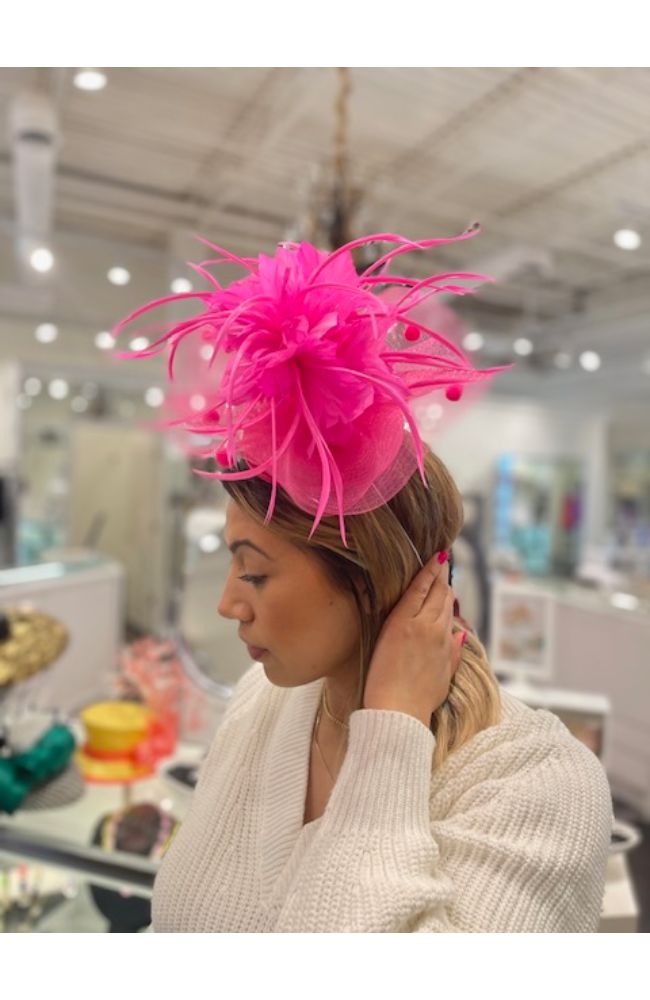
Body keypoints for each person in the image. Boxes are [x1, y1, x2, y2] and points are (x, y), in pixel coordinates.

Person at [115, 228, 613, 932]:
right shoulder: (262, 701)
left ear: (372, 576)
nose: (228, 604)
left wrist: (391, 736)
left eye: (254, 573)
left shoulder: (539, 787)